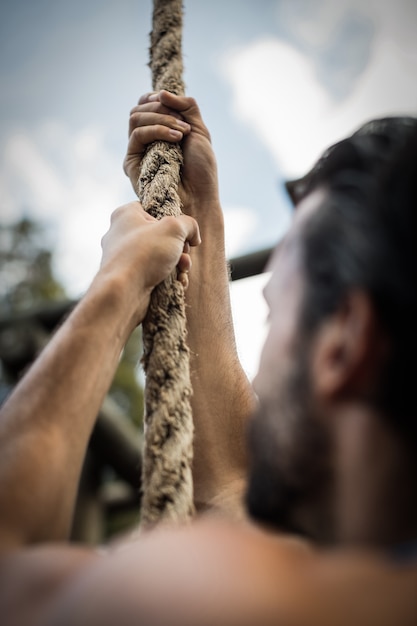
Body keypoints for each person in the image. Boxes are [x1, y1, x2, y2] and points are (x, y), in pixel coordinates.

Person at [0, 90, 417, 625]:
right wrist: (199, 216)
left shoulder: (253, 602)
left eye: (272, 312)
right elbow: (228, 485)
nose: (262, 375)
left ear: (343, 344)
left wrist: (117, 284)